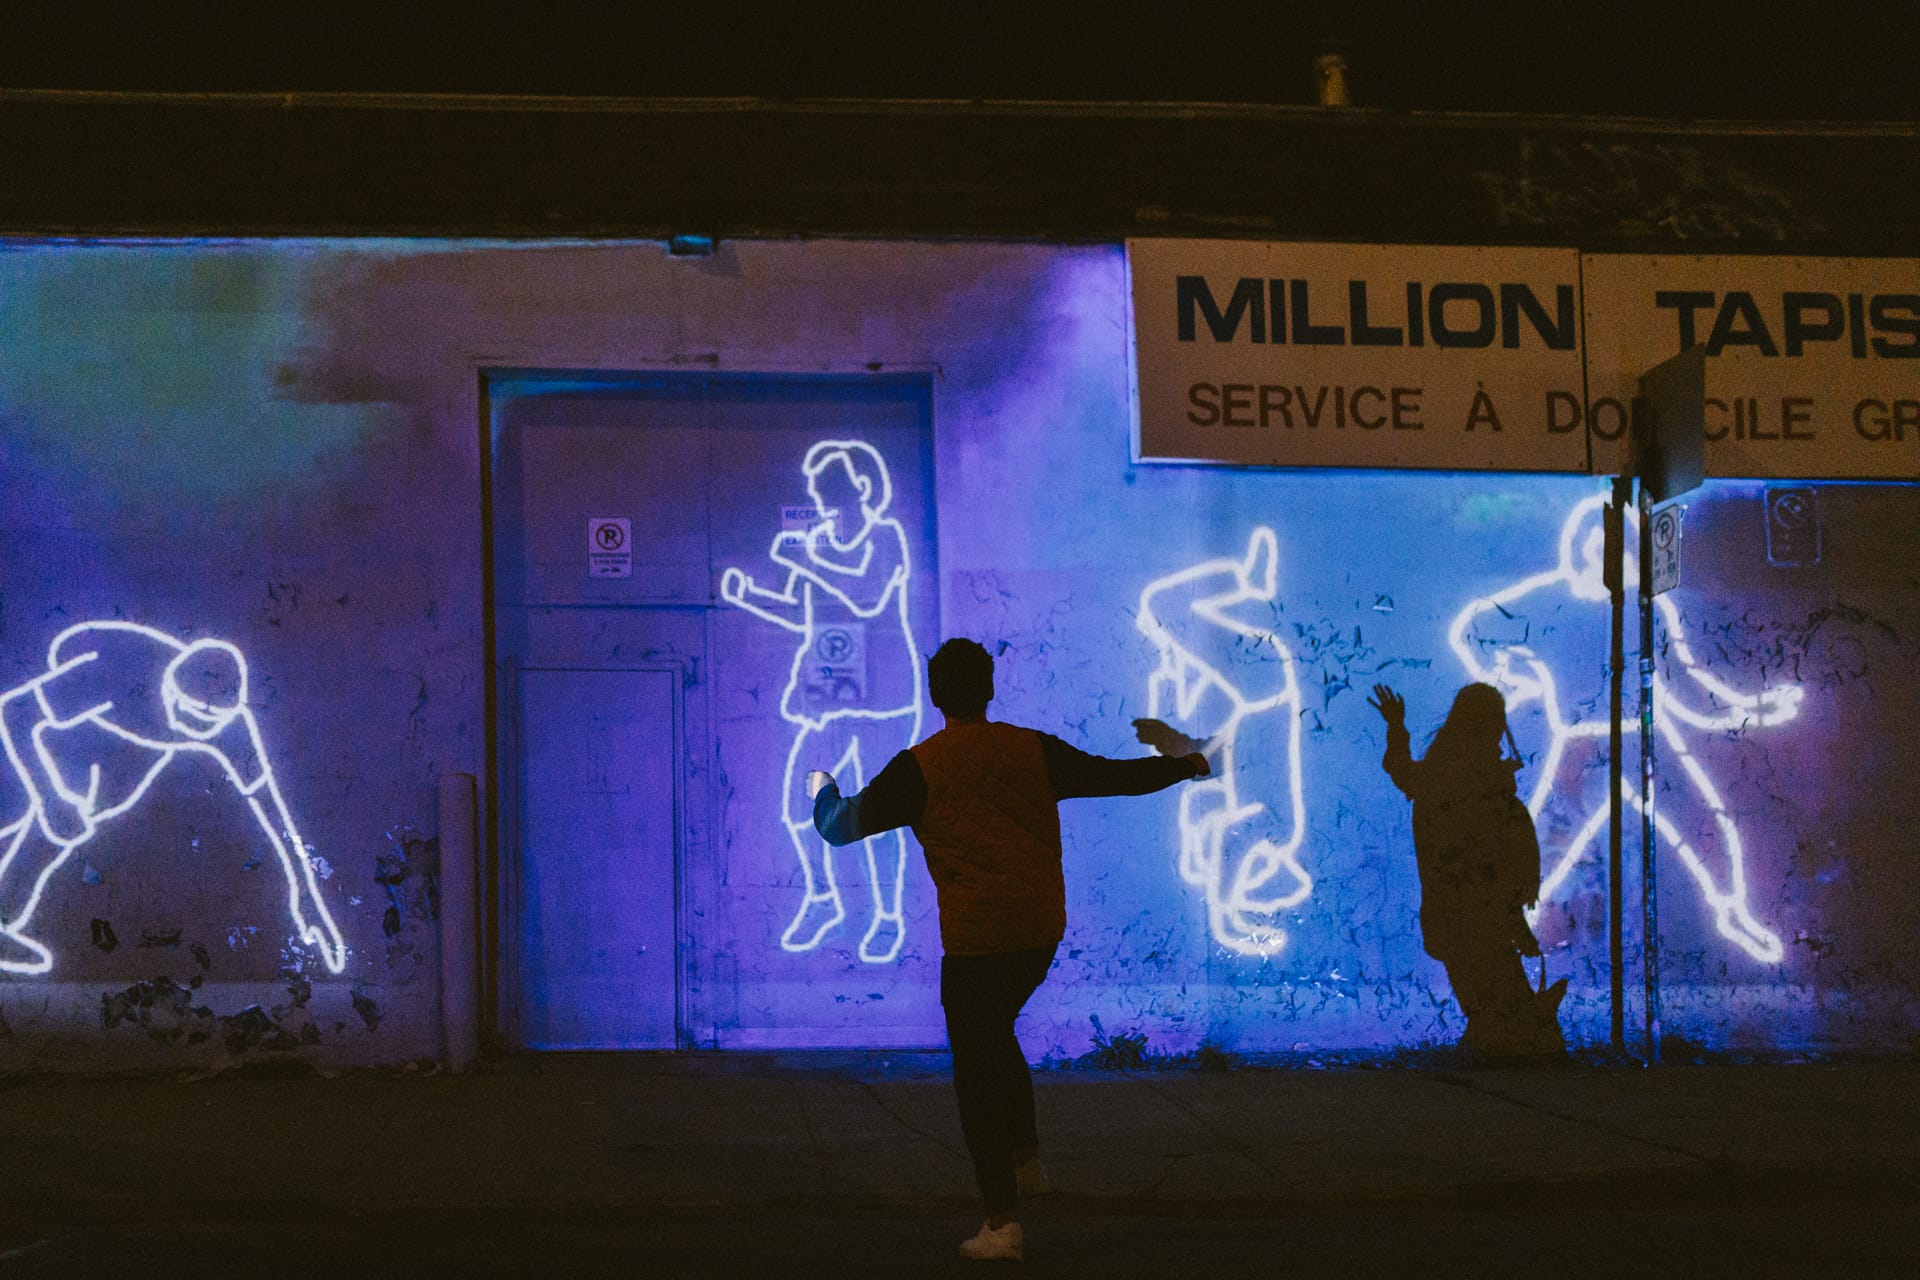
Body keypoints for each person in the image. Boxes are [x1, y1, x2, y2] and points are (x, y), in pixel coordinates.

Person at [808, 638, 1209, 1262]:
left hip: (976, 944)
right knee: (998, 1034)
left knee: (976, 1074)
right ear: (989, 690)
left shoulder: (921, 766)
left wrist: (823, 787)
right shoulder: (1032, 750)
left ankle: (1002, 1225)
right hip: (1038, 933)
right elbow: (1117, 777)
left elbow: (840, 828)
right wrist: (1187, 764)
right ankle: (1027, 1165)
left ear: (936, 696)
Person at [0, 621, 347, 975]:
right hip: (98, 712)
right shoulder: (112, 678)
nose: (197, 730)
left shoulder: (230, 729)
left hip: (139, 744)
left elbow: (271, 807)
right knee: (26, 801)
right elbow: (17, 712)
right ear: (170, 688)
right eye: (189, 714)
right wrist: (48, 798)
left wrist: (305, 897)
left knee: (75, 820)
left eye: (208, 724)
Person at [721, 438, 922, 964]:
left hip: (883, 705)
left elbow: (866, 594)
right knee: (799, 806)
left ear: (859, 489)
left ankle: (886, 917)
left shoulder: (885, 537)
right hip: (826, 700)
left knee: (880, 815)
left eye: (828, 488)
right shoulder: (818, 547)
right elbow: (800, 609)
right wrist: (749, 595)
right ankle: (823, 899)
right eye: (816, 490)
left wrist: (807, 558)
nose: (821, 500)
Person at [1370, 681, 1562, 1058]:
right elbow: (1501, 846)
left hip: (1453, 910)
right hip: (1485, 910)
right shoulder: (1486, 776)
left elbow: (1403, 772)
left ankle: (1506, 1050)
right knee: (1499, 1000)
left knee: (1484, 1003)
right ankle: (1523, 1051)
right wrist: (1514, 911)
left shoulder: (1443, 773)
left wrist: (1397, 728)